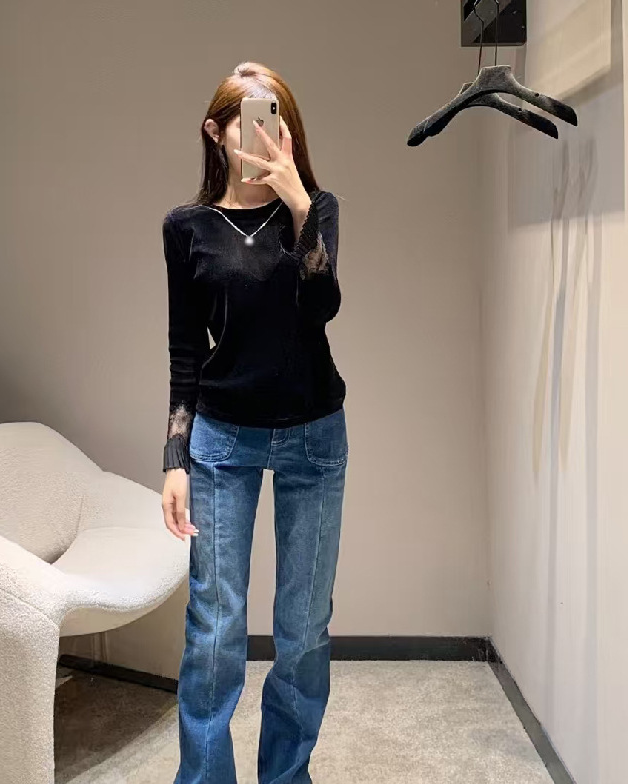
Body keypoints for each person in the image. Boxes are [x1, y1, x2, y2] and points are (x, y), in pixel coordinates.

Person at [160, 60, 348, 784]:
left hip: (314, 435)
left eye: (281, 122)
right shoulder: (187, 228)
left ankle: (286, 776)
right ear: (217, 132)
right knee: (214, 628)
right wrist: (174, 457)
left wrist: (301, 208)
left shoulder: (317, 209)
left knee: (303, 630)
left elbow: (323, 306)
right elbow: (185, 349)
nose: (271, 136)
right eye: (254, 120)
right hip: (221, 439)